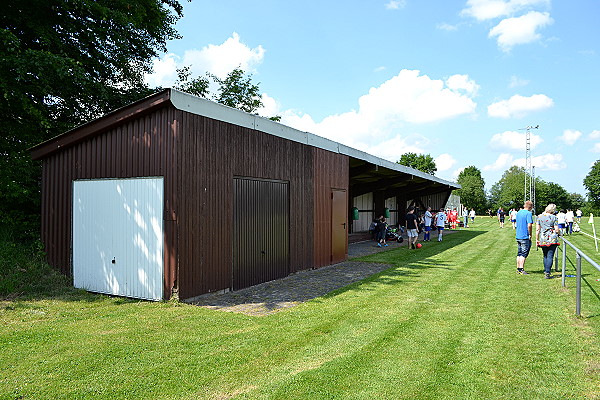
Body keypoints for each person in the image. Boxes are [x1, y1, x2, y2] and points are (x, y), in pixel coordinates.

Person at [536, 203, 560, 279]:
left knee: (545, 255)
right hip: (552, 238)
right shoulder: (554, 217)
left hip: (543, 238)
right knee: (550, 255)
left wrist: (537, 239)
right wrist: (560, 233)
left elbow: (537, 230)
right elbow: (556, 229)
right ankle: (547, 272)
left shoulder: (539, 217)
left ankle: (546, 270)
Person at [515, 201, 534, 275]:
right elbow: (529, 225)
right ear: (530, 207)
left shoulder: (519, 212)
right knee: (524, 253)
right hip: (524, 236)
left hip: (518, 235)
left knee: (519, 253)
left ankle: (518, 268)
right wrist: (530, 234)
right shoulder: (528, 213)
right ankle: (521, 269)